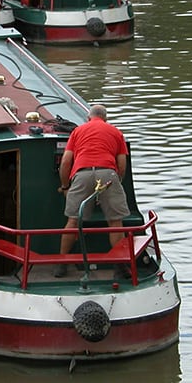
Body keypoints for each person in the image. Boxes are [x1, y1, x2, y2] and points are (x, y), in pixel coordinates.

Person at [55, 104, 131, 277]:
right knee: (115, 221)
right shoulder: (116, 132)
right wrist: (116, 182)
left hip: (81, 174)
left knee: (73, 221)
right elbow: (122, 165)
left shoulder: (78, 131)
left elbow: (66, 162)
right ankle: (119, 266)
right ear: (105, 119)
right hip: (108, 174)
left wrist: (65, 186)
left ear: (88, 118)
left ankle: (62, 264)